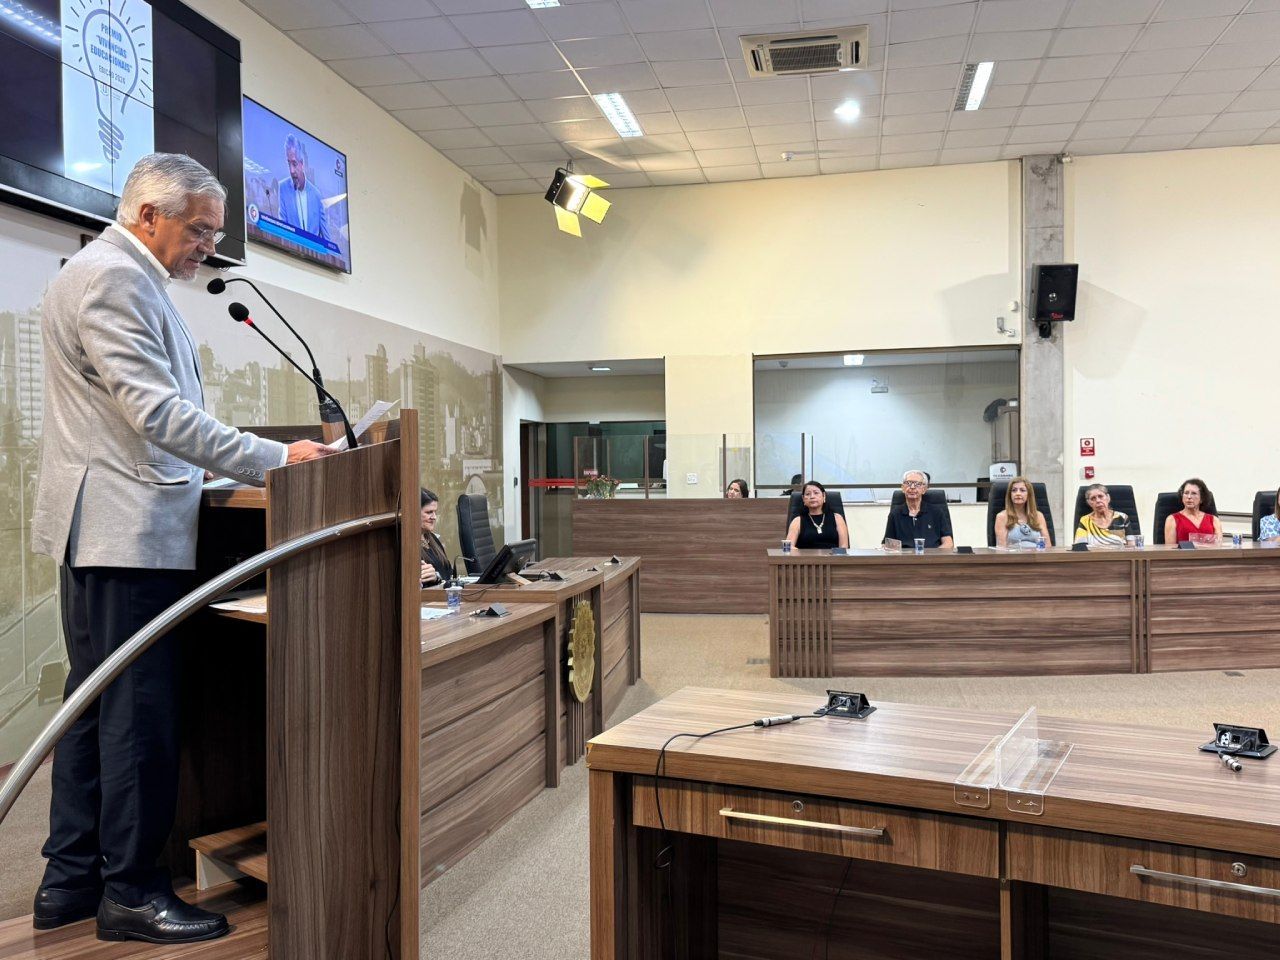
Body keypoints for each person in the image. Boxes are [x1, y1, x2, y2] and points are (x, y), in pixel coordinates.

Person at [28, 153, 333, 943]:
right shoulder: (116, 278)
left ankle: (71, 882)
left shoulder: (99, 271)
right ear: (148, 216)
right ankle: (130, 890)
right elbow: (153, 412)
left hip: (103, 525)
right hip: (123, 532)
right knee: (138, 717)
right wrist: (276, 459)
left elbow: (130, 419)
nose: (209, 247)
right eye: (200, 230)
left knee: (94, 712)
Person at [277, 134, 329, 240]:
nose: (291, 170)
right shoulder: (283, 188)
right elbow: (282, 229)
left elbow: (326, 238)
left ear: (302, 164)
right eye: (289, 164)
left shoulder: (316, 195)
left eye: (294, 164)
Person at [883, 470, 953, 549]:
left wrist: (933, 556)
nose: (912, 487)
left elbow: (948, 543)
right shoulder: (895, 514)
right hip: (905, 559)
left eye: (917, 484)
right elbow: (887, 544)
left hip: (932, 558)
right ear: (902, 488)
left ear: (924, 489)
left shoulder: (936, 512)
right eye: (908, 483)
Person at [785, 480, 848, 550]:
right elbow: (788, 547)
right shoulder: (797, 521)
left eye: (816, 493)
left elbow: (843, 546)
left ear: (824, 496)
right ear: (803, 499)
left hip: (832, 559)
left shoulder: (837, 518)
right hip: (806, 559)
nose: (812, 496)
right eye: (808, 494)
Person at [994, 477, 1052, 548]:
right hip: (1013, 558)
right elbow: (1001, 548)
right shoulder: (1002, 517)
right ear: (1010, 495)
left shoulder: (1038, 516)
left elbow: (1047, 545)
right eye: (1014, 490)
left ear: (1029, 495)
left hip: (1036, 557)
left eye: (1022, 490)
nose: (1018, 493)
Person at [1165, 477, 1221, 545]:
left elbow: (1219, 549)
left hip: (1209, 555)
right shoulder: (1172, 519)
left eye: (1194, 493)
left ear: (1202, 498)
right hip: (1183, 555)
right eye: (1186, 493)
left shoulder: (1214, 520)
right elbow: (1170, 551)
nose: (1189, 497)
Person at [420, 488, 455, 585]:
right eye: (429, 512)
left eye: (435, 512)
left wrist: (437, 577)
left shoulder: (432, 538)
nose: (434, 517)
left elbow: (448, 572)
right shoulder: (408, 545)